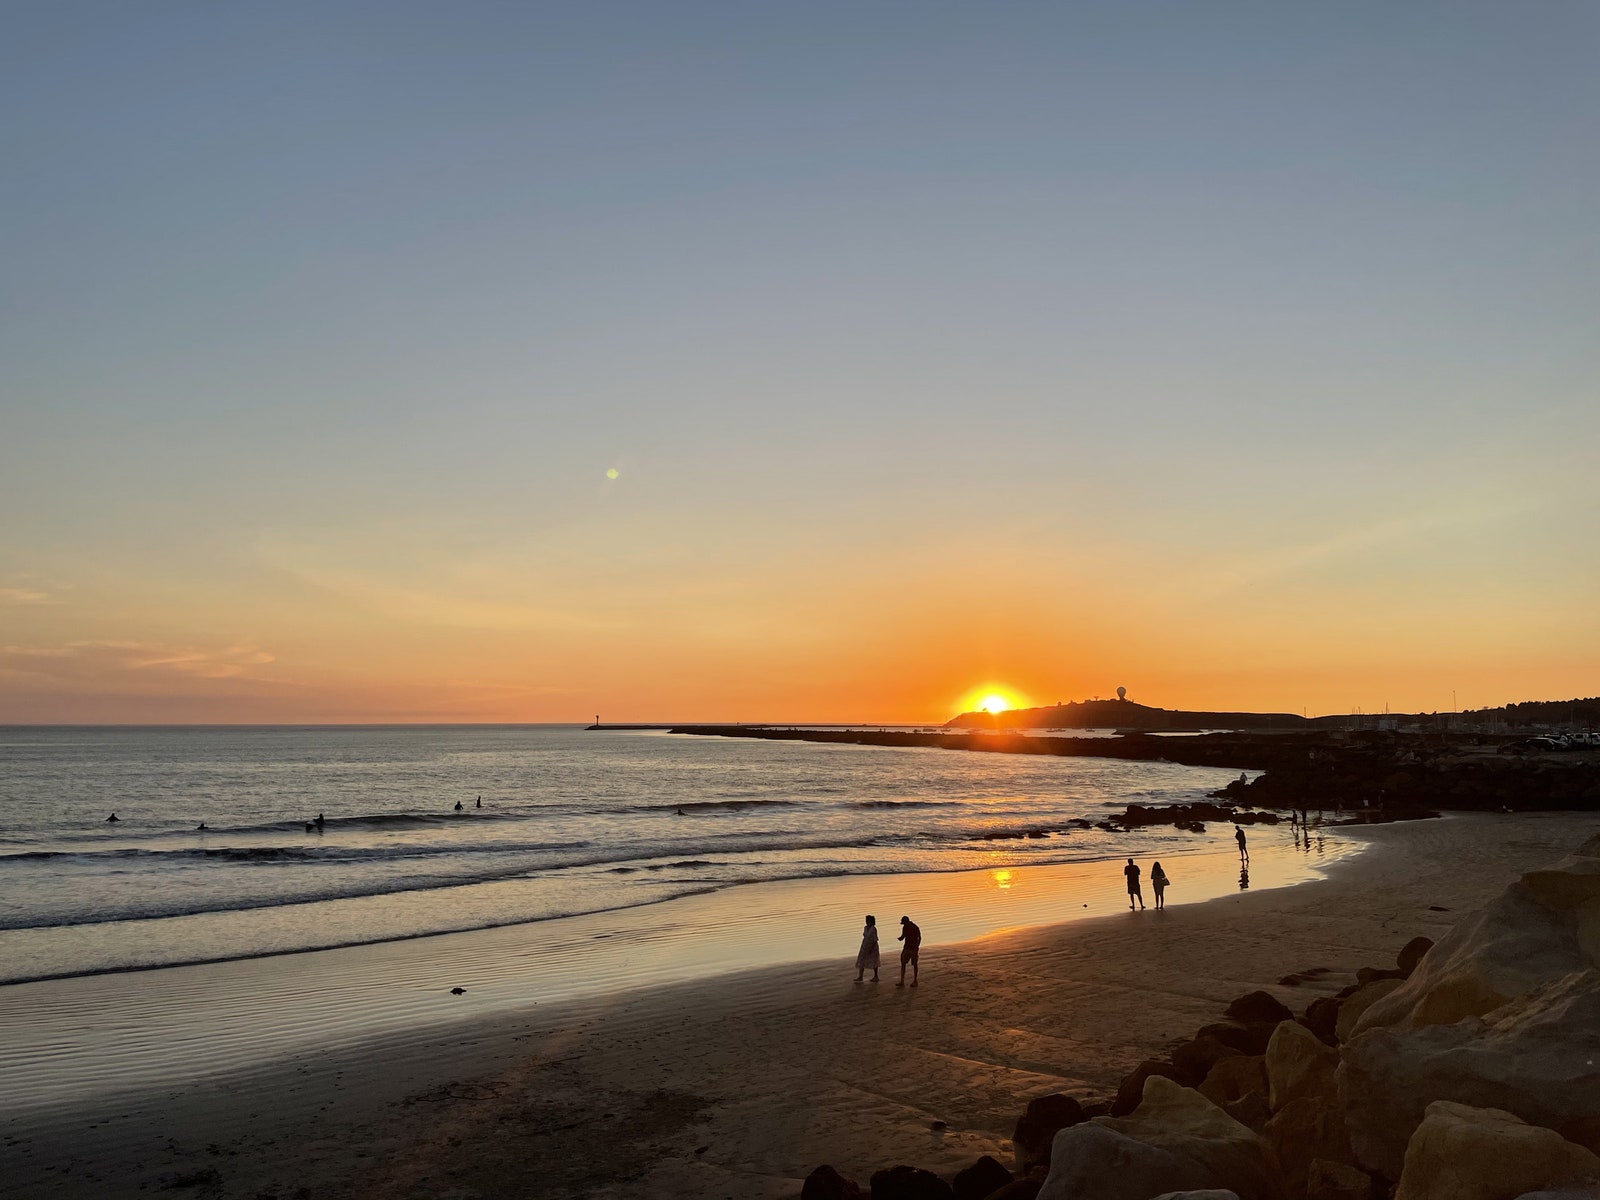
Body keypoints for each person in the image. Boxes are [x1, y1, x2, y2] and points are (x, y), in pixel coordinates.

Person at [896, 916, 921, 987]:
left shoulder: (915, 927)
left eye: (904, 923)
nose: (903, 925)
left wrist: (917, 947)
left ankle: (915, 981)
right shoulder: (906, 927)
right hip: (907, 947)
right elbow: (903, 936)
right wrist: (900, 938)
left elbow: (919, 937)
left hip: (913, 948)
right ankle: (902, 981)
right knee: (903, 963)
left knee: (914, 964)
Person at [854, 915, 880, 983]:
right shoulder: (865, 928)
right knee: (861, 960)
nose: (866, 922)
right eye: (866, 920)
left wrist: (871, 949)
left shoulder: (873, 928)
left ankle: (876, 976)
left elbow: (875, 939)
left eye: (867, 920)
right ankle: (860, 976)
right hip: (865, 945)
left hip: (873, 946)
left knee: (874, 961)